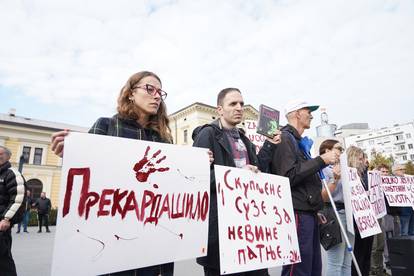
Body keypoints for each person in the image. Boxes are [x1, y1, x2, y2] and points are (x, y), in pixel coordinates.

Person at [51, 71, 175, 276]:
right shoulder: (106, 126)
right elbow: (85, 178)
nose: (156, 96)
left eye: (160, 93)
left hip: (153, 239)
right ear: (130, 94)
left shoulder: (163, 139)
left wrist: (197, 167)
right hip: (112, 238)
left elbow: (172, 185)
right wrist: (70, 154)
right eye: (149, 89)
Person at [192, 88, 281, 276]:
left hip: (249, 228)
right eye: (233, 104)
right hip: (221, 230)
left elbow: (259, 171)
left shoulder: (244, 138)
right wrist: (238, 174)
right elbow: (197, 180)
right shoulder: (207, 135)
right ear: (219, 110)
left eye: (241, 103)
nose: (239, 107)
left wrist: (269, 144)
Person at [269, 100, 338, 276]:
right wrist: (321, 160)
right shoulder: (284, 138)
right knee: (298, 269)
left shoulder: (300, 142)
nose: (312, 115)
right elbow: (288, 176)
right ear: (297, 113)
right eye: (308, 111)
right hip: (297, 213)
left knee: (313, 268)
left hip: (308, 212)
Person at [319, 139, 354, 276]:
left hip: (348, 214)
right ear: (327, 151)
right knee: (336, 261)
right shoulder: (322, 170)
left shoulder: (346, 169)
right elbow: (323, 197)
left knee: (348, 259)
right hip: (334, 214)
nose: (341, 152)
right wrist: (335, 179)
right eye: (339, 149)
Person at [0, 145, 25, 276]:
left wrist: (6, 218)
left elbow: (18, 198)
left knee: (3, 259)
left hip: (1, 224)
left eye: (1, 154)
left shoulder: (12, 173)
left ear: (8, 156)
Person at [349, 146, 373, 276]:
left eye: (363, 159)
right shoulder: (348, 174)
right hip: (356, 220)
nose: (363, 161)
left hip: (367, 219)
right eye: (360, 159)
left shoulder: (362, 174)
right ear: (352, 159)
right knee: (358, 253)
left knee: (366, 252)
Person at [393, 164, 414, 236]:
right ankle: (405, 246)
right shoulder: (391, 181)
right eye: (401, 169)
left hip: (411, 208)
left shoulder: (409, 179)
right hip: (402, 210)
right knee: (404, 231)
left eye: (404, 169)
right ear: (394, 171)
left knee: (412, 231)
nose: (403, 171)